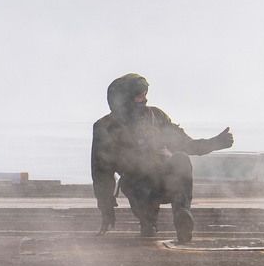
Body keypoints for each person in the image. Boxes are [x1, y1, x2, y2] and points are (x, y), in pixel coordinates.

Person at [91, 73, 234, 243]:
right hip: (139, 187)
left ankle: (182, 215)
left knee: (180, 158)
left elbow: (183, 143)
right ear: (125, 100)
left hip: (166, 182)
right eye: (139, 96)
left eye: (145, 94)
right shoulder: (105, 127)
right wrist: (105, 206)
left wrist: (214, 143)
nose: (144, 99)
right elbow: (101, 171)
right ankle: (148, 223)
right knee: (142, 188)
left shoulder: (156, 116)